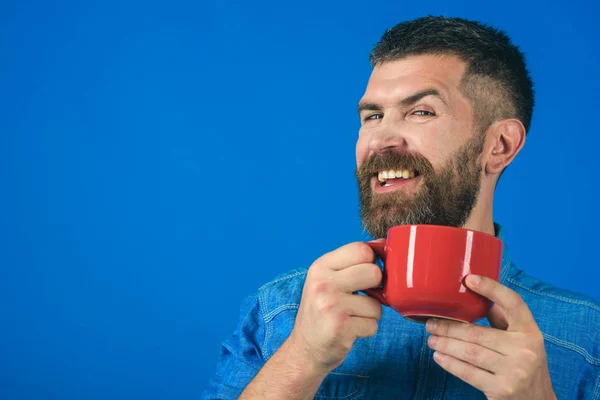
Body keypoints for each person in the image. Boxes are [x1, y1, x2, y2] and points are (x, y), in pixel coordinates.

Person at [202, 16, 600, 399]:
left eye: (421, 112)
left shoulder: (587, 337)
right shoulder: (281, 312)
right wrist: (299, 361)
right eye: (373, 116)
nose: (381, 140)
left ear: (499, 146)